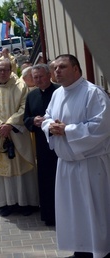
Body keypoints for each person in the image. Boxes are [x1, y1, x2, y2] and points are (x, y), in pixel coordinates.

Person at [41, 54, 110, 258]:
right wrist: (49, 127)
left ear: (76, 69)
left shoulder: (93, 93)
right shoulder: (58, 94)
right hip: (66, 164)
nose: (57, 71)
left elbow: (102, 126)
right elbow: (47, 117)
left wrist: (68, 130)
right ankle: (80, 248)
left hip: (90, 164)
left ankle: (100, 250)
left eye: (62, 67)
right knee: (73, 211)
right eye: (54, 68)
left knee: (95, 211)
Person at [0, 59, 39, 217]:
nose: (2, 73)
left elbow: (25, 107)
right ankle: (4, 203)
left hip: (17, 134)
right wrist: (0, 126)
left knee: (21, 166)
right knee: (0, 168)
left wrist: (10, 125)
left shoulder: (20, 86)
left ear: (11, 70)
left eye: (5, 70)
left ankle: (25, 202)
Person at [23, 64, 59, 226]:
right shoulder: (31, 96)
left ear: (49, 75)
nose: (38, 80)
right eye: (35, 77)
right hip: (42, 146)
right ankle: (49, 215)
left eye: (41, 76)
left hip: (60, 144)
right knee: (45, 180)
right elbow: (26, 119)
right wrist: (33, 121)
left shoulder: (60, 92)